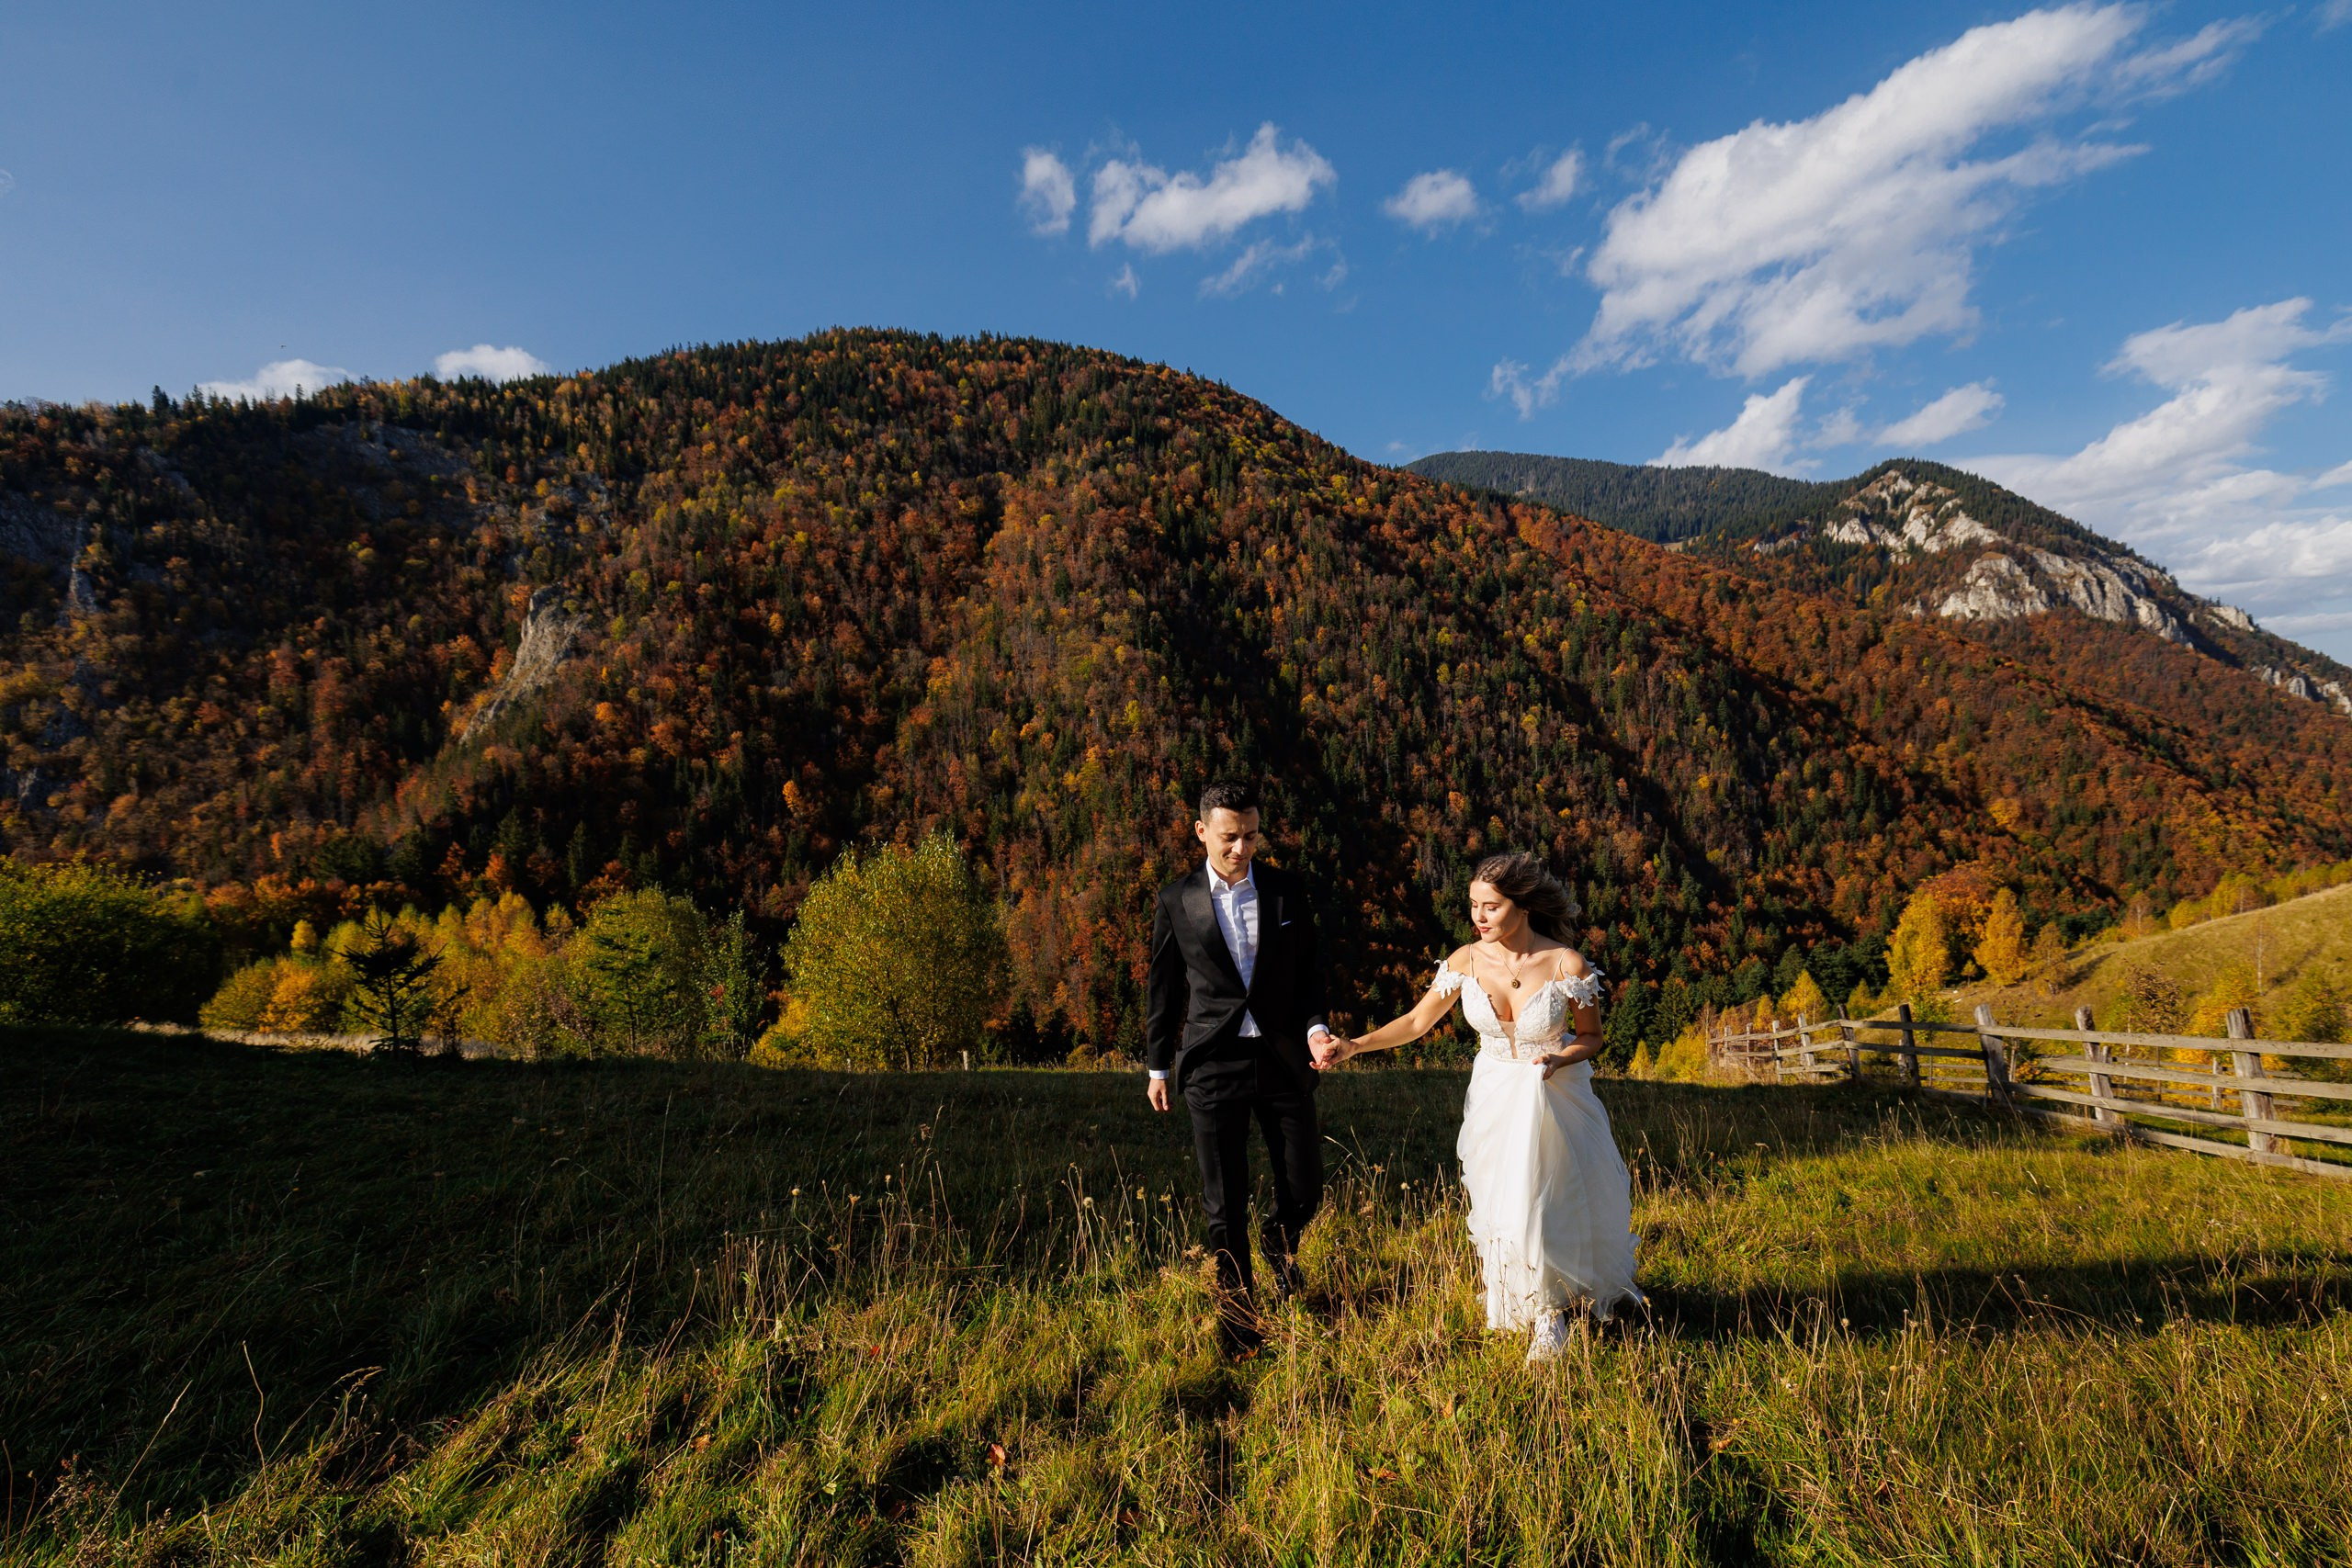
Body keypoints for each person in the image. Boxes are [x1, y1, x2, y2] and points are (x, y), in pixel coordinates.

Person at [1316, 851, 1641, 1360]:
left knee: (1545, 1198)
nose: (1479, 917)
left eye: (1491, 906)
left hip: (1551, 1091)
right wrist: (1355, 1045)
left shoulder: (1566, 964)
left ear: (1523, 906)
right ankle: (1518, 1293)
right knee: (1500, 1200)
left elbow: (1592, 1037)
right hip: (1493, 1095)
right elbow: (1416, 1022)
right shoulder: (1465, 960)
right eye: (1473, 905)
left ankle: (1549, 1315)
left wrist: (1559, 1058)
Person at [1145, 780, 1338, 1353]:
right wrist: (1158, 1068)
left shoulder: (1285, 891)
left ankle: (1279, 1241)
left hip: (1282, 1057)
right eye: (1230, 837)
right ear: (1202, 832)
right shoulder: (1175, 900)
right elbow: (1163, 990)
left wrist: (1316, 1027)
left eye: (1251, 835)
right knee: (1223, 1202)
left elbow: (1309, 974)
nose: (1242, 848)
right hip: (1212, 1062)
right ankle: (1238, 1324)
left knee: (1305, 1189)